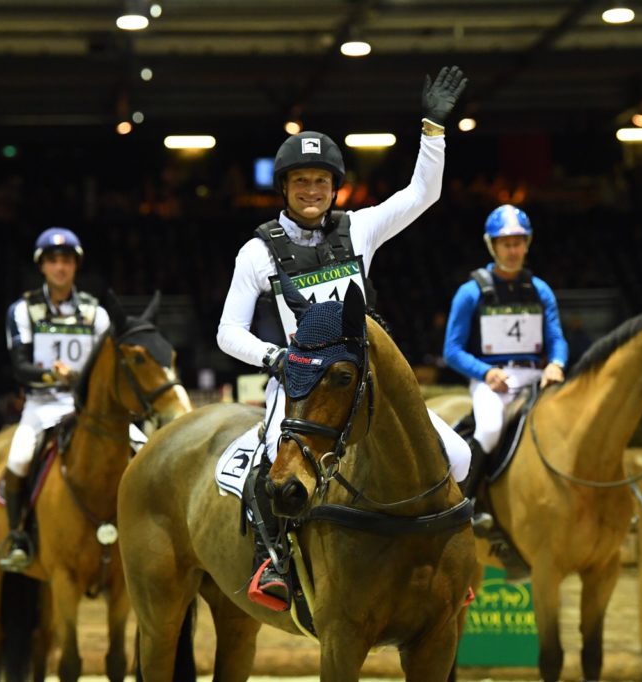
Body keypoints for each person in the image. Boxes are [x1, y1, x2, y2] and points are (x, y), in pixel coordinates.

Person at [217, 66, 469, 610]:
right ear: (284, 187)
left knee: (458, 455)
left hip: (368, 383)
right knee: (264, 468)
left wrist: (433, 130)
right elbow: (227, 332)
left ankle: (454, 554)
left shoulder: (360, 229)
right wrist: (278, 358)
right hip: (302, 386)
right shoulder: (257, 252)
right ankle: (275, 564)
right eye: (301, 181)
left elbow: (424, 193)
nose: (312, 191)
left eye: (322, 182)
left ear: (336, 187)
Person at [0, 227, 110, 572]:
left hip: (87, 407)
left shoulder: (96, 313)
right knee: (17, 460)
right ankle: (19, 536)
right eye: (53, 261)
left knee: (140, 447)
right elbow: (19, 367)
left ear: (75, 267)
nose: (60, 267)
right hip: (42, 406)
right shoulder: (23, 310)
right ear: (42, 267)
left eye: (66, 261)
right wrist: (53, 375)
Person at [443, 205, 568, 493]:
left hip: (535, 376)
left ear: (527, 244)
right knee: (488, 429)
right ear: (493, 246)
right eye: (506, 244)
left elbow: (557, 339)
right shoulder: (470, 292)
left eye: (518, 243)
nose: (513, 250)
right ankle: (470, 501)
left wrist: (557, 363)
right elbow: (452, 349)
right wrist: (486, 373)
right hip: (492, 381)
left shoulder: (541, 290)